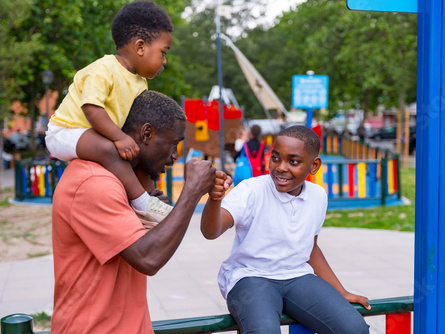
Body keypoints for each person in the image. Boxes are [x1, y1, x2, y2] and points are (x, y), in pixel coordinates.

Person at [51, 90, 228, 333]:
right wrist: (192, 191)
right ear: (146, 133)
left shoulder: (122, 183)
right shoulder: (93, 182)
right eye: (173, 143)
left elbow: (150, 243)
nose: (175, 156)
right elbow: (148, 258)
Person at [201, 125, 371, 334]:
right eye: (275, 158)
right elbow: (211, 231)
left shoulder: (318, 196)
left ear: (314, 165)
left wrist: (340, 291)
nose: (281, 167)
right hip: (250, 277)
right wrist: (215, 200)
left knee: (354, 329)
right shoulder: (252, 190)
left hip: (297, 276)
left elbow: (311, 248)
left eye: (293, 161)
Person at [45, 1, 173, 223]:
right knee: (109, 150)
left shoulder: (140, 83)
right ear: (140, 47)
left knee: (140, 151)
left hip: (98, 133)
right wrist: (119, 137)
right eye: (163, 53)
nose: (165, 61)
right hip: (67, 131)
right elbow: (91, 109)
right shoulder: (104, 69)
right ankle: (142, 203)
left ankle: (151, 199)